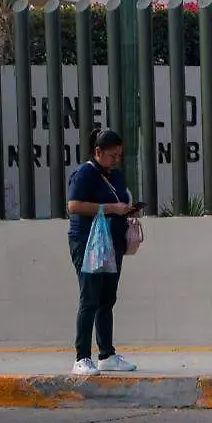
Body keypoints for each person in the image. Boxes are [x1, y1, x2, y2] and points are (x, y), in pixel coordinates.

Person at [66, 128, 139, 376]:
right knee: (90, 298)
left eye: (119, 155)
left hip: (112, 242)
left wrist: (127, 210)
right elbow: (74, 205)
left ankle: (106, 354)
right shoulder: (84, 174)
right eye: (112, 155)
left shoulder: (115, 176)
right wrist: (109, 208)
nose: (116, 160)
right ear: (97, 152)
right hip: (88, 242)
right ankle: (82, 357)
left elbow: (119, 203)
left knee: (107, 298)